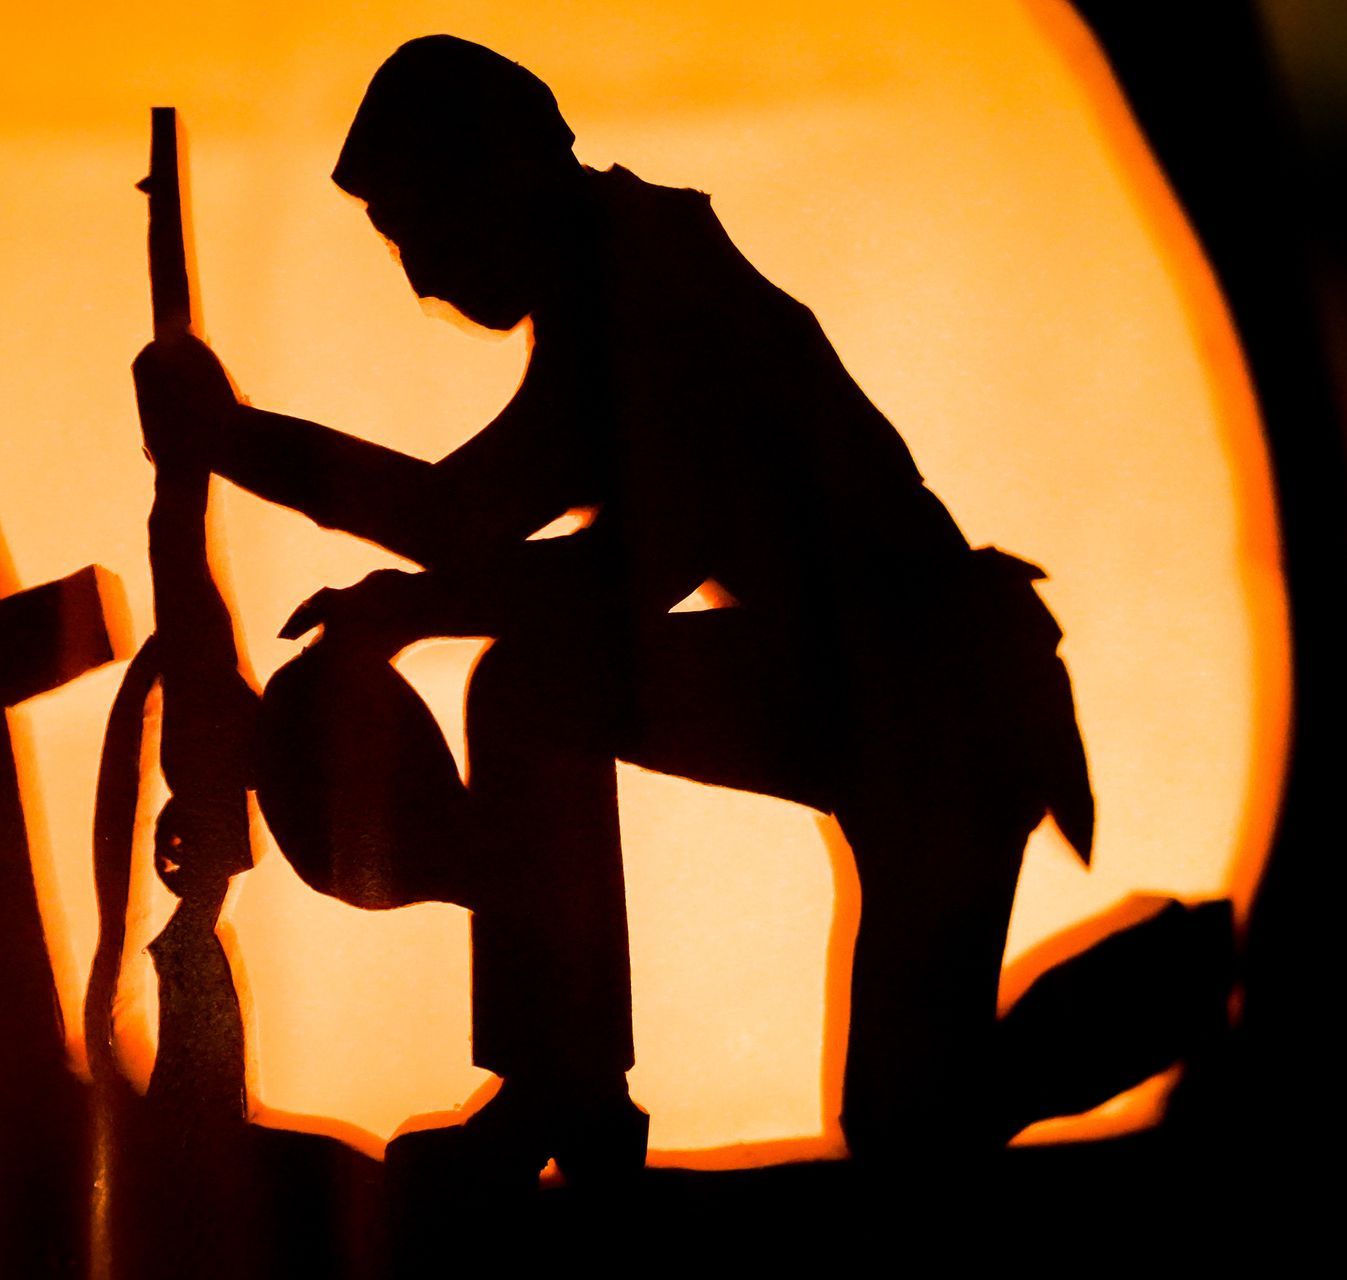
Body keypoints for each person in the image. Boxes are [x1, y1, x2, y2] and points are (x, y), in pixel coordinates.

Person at [132, 34, 1096, 1177]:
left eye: (420, 228)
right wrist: (270, 468)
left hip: (934, 701)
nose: (422, 279)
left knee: (913, 1128)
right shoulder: (615, 280)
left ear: (502, 176)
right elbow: (477, 518)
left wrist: (253, 455)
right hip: (863, 690)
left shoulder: (652, 290)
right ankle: (565, 1084)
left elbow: (620, 567)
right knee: (914, 1119)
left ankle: (1168, 995)